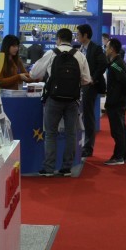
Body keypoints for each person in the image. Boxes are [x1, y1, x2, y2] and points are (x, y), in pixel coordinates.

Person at [30, 28, 91, 177]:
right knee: (71, 133)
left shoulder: (51, 53)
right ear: (71, 39)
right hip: (72, 100)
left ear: (58, 39)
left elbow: (34, 73)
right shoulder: (80, 55)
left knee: (51, 134)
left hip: (54, 98)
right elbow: (87, 79)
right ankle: (66, 168)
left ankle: (49, 168)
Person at [76, 24, 109, 158]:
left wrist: (92, 79)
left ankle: (88, 146)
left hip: (90, 86)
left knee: (88, 115)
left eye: (78, 34)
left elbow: (103, 64)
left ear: (85, 35)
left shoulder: (95, 48)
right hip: (79, 86)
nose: (77, 37)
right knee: (81, 114)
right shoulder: (80, 49)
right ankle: (80, 143)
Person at [104, 38, 126, 165]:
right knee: (122, 128)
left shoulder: (116, 64)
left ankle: (118, 156)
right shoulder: (117, 62)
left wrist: (123, 94)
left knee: (117, 130)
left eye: (107, 47)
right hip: (118, 100)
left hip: (116, 101)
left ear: (112, 49)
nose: (106, 49)